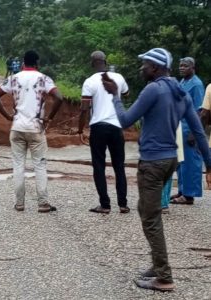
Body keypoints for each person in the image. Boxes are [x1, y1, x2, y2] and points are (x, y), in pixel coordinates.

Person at [101, 48, 211, 292]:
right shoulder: (181, 92)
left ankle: (164, 276)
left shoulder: (153, 89)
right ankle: (157, 263)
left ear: (156, 68)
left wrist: (115, 95)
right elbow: (200, 131)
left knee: (150, 218)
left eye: (145, 64)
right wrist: (210, 166)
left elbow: (125, 120)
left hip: (152, 162)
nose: (142, 68)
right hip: (170, 159)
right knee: (145, 209)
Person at [0, 50, 63, 213]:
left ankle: (19, 203)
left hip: (17, 128)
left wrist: (7, 116)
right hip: (36, 128)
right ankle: (43, 203)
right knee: (40, 165)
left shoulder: (13, 78)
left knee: (18, 165)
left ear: (23, 62)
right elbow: (59, 97)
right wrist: (49, 117)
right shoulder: (44, 79)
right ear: (37, 63)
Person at [78, 51, 130, 214]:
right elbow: (126, 95)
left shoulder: (89, 82)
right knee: (119, 166)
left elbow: (84, 109)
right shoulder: (119, 78)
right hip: (116, 126)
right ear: (106, 62)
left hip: (98, 127)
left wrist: (81, 129)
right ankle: (123, 204)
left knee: (99, 166)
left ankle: (105, 205)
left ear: (92, 63)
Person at [170, 57, 205, 205]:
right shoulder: (183, 82)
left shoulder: (196, 84)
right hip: (179, 126)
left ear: (193, 67)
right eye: (180, 66)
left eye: (185, 66)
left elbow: (200, 110)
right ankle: (182, 190)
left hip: (189, 128)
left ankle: (189, 195)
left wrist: (193, 132)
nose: (181, 68)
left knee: (190, 161)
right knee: (180, 161)